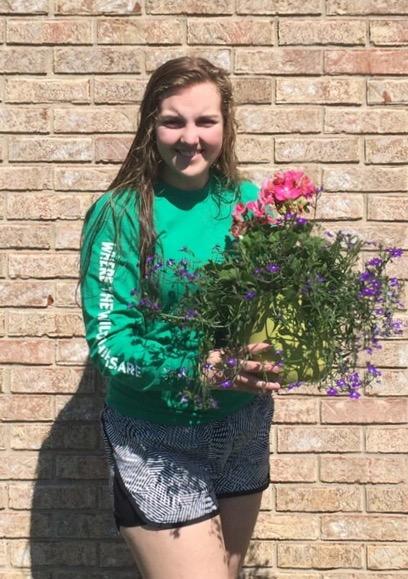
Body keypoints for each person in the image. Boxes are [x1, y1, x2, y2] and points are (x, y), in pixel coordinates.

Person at [79, 56, 282, 579]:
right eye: (174, 121)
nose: (190, 137)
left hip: (241, 425)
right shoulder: (120, 214)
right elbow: (110, 343)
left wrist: (289, 346)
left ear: (226, 125)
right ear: (152, 126)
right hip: (156, 436)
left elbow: (269, 306)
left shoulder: (249, 201)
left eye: (205, 121)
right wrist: (199, 366)